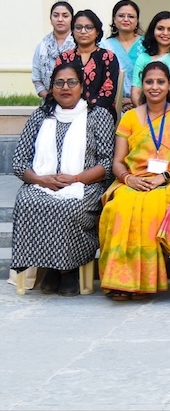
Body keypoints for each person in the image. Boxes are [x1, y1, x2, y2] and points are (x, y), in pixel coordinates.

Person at [10, 64, 114, 296]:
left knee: (68, 207)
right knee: (28, 201)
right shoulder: (40, 115)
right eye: (59, 83)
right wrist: (40, 180)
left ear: (82, 86)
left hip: (83, 184)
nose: (65, 87)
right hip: (41, 183)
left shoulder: (98, 116)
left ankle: (67, 271)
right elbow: (19, 162)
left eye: (71, 82)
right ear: (52, 87)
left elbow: (107, 164)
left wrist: (75, 178)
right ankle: (50, 267)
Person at [99, 61, 170, 300]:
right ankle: (119, 281)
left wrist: (164, 178)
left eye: (160, 82)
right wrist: (128, 179)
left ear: (169, 84)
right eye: (149, 82)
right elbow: (118, 162)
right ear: (142, 85)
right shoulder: (130, 117)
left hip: (168, 182)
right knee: (119, 207)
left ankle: (144, 281)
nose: (154, 87)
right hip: (132, 180)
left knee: (151, 208)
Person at [57, 9, 120, 117]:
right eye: (78, 27)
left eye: (88, 27)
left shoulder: (107, 57)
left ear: (97, 32)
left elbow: (107, 93)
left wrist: (84, 110)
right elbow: (56, 87)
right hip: (66, 112)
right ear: (72, 31)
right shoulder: (64, 58)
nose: (83, 31)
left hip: (99, 114)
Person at [101, 0, 145, 110]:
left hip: (143, 104)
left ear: (137, 21)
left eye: (131, 16)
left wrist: (134, 99)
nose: (126, 19)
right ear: (114, 20)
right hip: (112, 105)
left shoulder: (147, 45)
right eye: (121, 16)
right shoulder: (104, 47)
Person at [31, 1, 76, 100]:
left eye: (65, 16)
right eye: (56, 15)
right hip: (49, 102)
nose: (60, 19)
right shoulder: (42, 46)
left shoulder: (78, 45)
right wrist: (50, 98)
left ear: (72, 19)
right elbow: (37, 79)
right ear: (50, 19)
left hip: (76, 103)